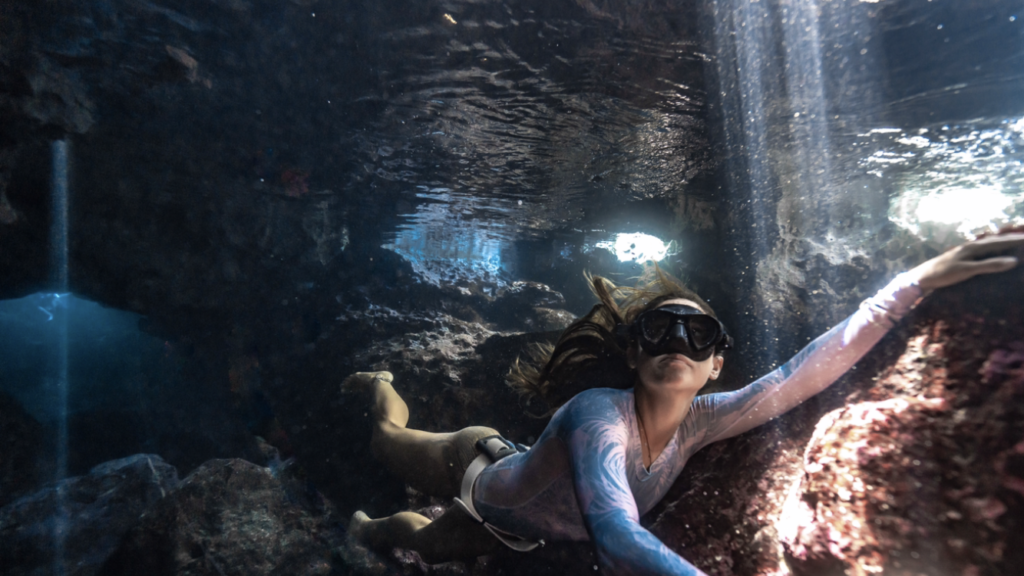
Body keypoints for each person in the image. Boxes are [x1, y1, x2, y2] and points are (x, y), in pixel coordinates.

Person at [344, 233, 1024, 575]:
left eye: (696, 334)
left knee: (424, 547)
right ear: (635, 355)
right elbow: (614, 532)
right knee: (381, 440)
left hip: (514, 530)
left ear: (716, 365)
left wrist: (914, 283)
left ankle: (372, 526)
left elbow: (800, 374)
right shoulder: (596, 416)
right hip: (477, 467)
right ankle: (377, 382)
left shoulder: (704, 423)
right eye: (658, 330)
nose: (677, 341)